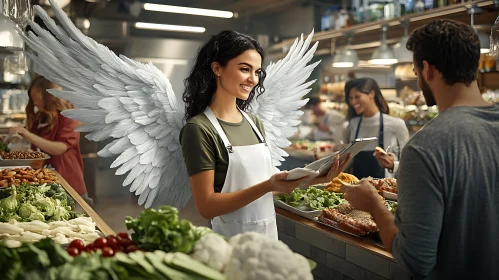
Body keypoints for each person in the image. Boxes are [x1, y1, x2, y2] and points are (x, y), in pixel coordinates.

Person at [341, 20, 499, 279]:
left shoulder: (426, 147)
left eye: (415, 72)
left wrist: (374, 205)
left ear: (427, 70)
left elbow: (415, 259)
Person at [179, 30, 350, 239]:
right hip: (230, 241)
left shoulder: (254, 123)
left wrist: (316, 179)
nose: (253, 79)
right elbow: (206, 207)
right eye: (244, 69)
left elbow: (266, 189)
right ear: (217, 68)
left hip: (269, 236)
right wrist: (268, 185)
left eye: (258, 72)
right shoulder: (199, 129)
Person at [8, 76, 87, 197]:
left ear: (49, 97)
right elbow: (37, 148)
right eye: (32, 98)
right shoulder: (40, 117)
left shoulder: (68, 116)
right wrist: (19, 139)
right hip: (46, 181)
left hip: (68, 185)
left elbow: (60, 148)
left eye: (37, 98)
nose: (34, 102)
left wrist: (29, 135)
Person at [344, 78, 409, 178]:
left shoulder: (396, 125)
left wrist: (393, 165)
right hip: (355, 188)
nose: (353, 102)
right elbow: (348, 161)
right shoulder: (353, 124)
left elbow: (410, 164)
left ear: (371, 94)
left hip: (385, 191)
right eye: (350, 98)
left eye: (357, 96)